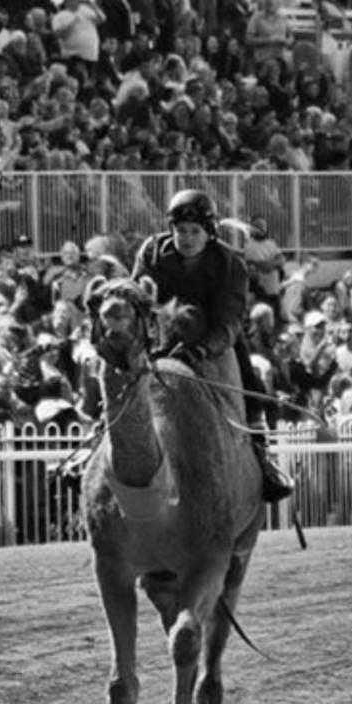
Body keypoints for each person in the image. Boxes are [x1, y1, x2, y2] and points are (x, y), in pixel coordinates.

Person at [131, 189, 293, 502]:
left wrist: (203, 349)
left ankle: (262, 456)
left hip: (211, 332)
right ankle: (97, 436)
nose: (186, 238)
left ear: (209, 233)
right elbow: (138, 300)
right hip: (161, 330)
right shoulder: (150, 252)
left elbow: (229, 322)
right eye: (180, 231)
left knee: (249, 377)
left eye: (195, 232)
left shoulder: (230, 263)